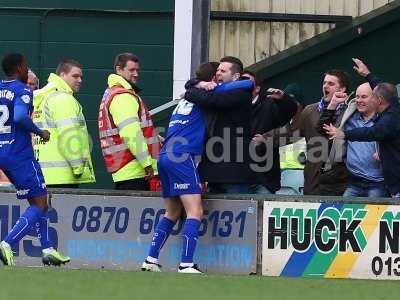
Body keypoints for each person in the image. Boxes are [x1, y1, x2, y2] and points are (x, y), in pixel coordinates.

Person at [141, 62, 253, 274]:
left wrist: (194, 84)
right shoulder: (207, 97)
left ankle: (150, 258)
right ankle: (186, 264)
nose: (220, 78)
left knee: (172, 212)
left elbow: (191, 89)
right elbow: (241, 86)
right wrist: (246, 82)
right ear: (211, 81)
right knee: (195, 211)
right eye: (217, 74)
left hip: (165, 156)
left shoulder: (184, 101)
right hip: (182, 157)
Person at [0, 53, 70, 266]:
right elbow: (21, 117)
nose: (27, 69)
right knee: (40, 203)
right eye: (26, 66)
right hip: (20, 154)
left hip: (3, 153)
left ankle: (48, 249)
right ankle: (7, 243)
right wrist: (41, 132)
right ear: (20, 67)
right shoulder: (22, 90)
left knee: (38, 199)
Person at [184, 56, 254, 193]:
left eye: (223, 71)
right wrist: (199, 84)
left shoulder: (241, 93)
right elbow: (193, 85)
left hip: (234, 172)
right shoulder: (219, 89)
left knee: (236, 211)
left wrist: (190, 91)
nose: (218, 73)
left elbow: (212, 100)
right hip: (214, 170)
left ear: (235, 76)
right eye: (217, 70)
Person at [324, 83, 400, 198]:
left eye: (364, 96)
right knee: (345, 214)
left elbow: (372, 133)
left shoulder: (386, 119)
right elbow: (322, 128)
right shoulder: (348, 116)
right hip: (353, 181)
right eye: (357, 96)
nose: (359, 100)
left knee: (373, 215)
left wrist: (383, 151)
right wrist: (333, 105)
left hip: (378, 183)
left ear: (377, 99)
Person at [98, 53, 161, 190]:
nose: (136, 74)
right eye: (131, 70)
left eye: (137, 70)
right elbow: (131, 133)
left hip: (127, 170)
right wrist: (147, 163)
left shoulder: (112, 93)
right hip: (135, 171)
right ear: (119, 69)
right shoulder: (123, 96)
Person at [33, 59, 95, 188]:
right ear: (62, 75)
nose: (80, 80)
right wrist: (78, 167)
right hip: (63, 177)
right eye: (75, 76)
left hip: (44, 175)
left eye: (81, 77)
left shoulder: (44, 98)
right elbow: (69, 135)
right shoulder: (63, 99)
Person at [289, 69, 351, 195]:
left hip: (341, 179)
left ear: (342, 89)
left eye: (331, 84)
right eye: (324, 83)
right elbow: (291, 134)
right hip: (314, 178)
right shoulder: (310, 110)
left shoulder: (350, 112)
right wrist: (265, 139)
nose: (325, 86)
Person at [241, 71, 298, 194]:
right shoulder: (233, 106)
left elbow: (289, 112)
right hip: (239, 177)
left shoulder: (269, 103)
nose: (243, 85)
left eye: (247, 82)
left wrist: (283, 99)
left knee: (264, 210)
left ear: (257, 89)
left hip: (263, 177)